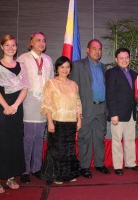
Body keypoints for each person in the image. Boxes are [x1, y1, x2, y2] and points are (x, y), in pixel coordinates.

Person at [0, 34, 29, 193]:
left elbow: (25, 87)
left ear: (16, 47)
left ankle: (11, 176)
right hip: (0, 106)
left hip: (17, 106)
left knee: (14, 140)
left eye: (13, 45)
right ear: (1, 47)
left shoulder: (21, 65)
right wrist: (6, 106)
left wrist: (15, 106)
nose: (11, 48)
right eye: (7, 45)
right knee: (1, 141)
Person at [17, 32, 54, 183]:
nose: (41, 43)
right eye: (38, 40)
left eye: (44, 41)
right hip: (29, 100)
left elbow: (51, 82)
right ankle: (24, 170)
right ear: (31, 42)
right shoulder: (23, 58)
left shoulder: (48, 59)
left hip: (44, 101)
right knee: (28, 138)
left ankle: (37, 168)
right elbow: (18, 82)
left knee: (40, 137)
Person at [70, 39, 109, 178]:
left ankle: (99, 164)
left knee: (99, 137)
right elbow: (73, 90)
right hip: (86, 108)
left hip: (101, 108)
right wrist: (76, 111)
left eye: (99, 49)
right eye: (94, 48)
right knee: (84, 138)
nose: (97, 51)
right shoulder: (78, 65)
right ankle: (84, 166)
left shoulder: (104, 67)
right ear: (87, 50)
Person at [40, 56, 82, 184]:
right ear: (57, 68)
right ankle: (57, 175)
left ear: (70, 69)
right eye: (62, 66)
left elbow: (78, 103)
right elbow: (47, 104)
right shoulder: (51, 83)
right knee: (57, 150)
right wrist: (50, 122)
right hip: (57, 121)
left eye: (67, 67)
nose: (65, 69)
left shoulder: (74, 84)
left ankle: (69, 174)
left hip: (71, 121)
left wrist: (79, 119)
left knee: (69, 149)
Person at [105, 48, 138, 176]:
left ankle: (131, 163)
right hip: (117, 113)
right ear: (116, 59)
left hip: (131, 112)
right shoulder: (111, 73)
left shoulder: (134, 74)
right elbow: (110, 94)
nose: (124, 60)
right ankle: (118, 165)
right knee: (117, 140)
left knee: (130, 139)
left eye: (126, 58)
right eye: (121, 58)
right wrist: (113, 113)